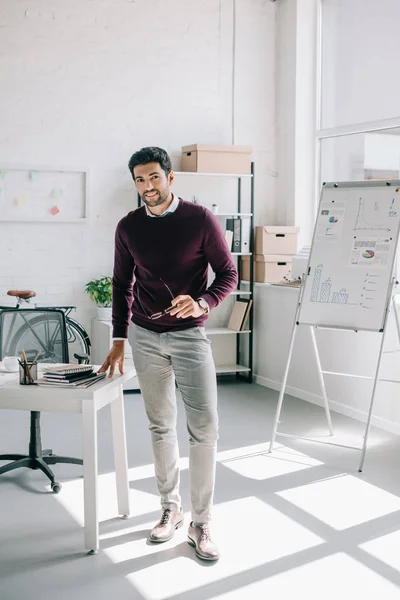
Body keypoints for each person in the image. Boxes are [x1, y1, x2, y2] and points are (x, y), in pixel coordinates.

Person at [99, 146, 238, 561]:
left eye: (154, 178)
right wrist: (120, 339)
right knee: (161, 427)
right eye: (140, 180)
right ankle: (169, 509)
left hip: (190, 337)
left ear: (170, 177)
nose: (147, 187)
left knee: (205, 430)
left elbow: (228, 273)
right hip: (144, 337)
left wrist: (204, 303)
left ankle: (202, 521)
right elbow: (121, 284)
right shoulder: (128, 227)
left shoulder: (199, 219)